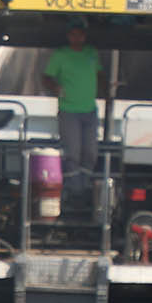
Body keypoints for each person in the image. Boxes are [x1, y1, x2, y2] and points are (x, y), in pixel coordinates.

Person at [41, 24, 100, 188]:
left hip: (90, 110)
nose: (77, 38)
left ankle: (86, 184)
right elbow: (46, 77)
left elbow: (99, 73)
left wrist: (107, 89)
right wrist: (56, 88)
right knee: (72, 152)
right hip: (69, 111)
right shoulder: (61, 54)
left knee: (91, 152)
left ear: (84, 36)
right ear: (68, 36)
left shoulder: (91, 53)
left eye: (80, 35)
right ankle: (74, 188)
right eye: (73, 35)